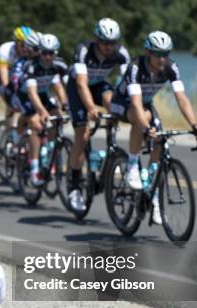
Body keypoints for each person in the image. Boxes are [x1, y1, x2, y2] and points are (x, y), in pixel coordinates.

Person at [110, 31, 197, 224]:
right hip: (122, 102)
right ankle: (131, 166)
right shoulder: (136, 67)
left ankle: (152, 197)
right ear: (147, 52)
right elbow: (136, 105)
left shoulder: (171, 67)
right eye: (157, 54)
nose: (162, 58)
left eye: (165, 54)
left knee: (160, 139)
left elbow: (182, 99)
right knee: (143, 118)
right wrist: (146, 128)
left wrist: (194, 124)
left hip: (144, 105)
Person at [66, 18, 130, 210]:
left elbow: (126, 84)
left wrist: (121, 108)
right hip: (78, 88)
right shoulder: (84, 50)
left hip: (100, 85)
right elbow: (81, 83)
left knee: (113, 102)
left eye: (112, 43)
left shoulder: (121, 53)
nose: (109, 47)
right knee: (83, 134)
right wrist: (91, 108)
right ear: (96, 40)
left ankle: (111, 145)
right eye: (104, 42)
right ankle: (74, 185)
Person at [14, 33, 68, 186]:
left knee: (58, 120)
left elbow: (60, 86)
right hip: (26, 96)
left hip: (43, 94)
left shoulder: (59, 64)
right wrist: (42, 111)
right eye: (44, 53)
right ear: (39, 52)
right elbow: (31, 93)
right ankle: (34, 169)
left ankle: (49, 153)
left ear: (55, 53)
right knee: (37, 125)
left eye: (51, 53)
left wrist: (66, 104)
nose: (47, 57)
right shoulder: (32, 66)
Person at [0, 26, 35, 123]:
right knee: (10, 100)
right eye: (22, 44)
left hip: (15, 75)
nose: (25, 48)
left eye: (28, 44)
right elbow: (4, 77)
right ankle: (9, 132)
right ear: (16, 42)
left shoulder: (31, 52)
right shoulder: (4, 50)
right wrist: (8, 93)